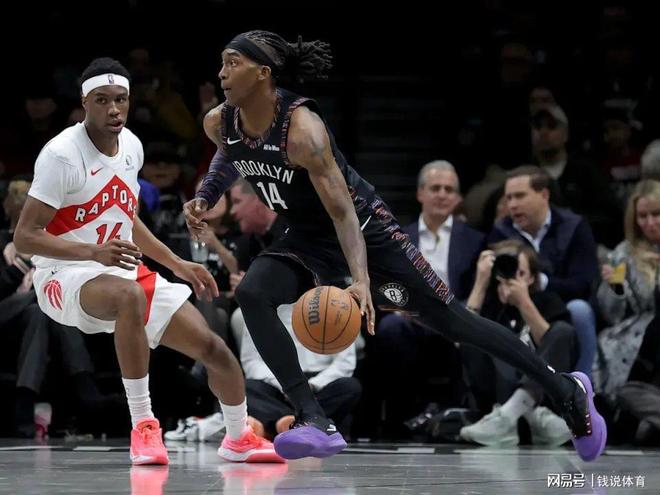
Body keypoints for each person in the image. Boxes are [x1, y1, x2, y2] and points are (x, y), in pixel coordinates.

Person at [184, 30, 606, 462]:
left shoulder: (303, 130)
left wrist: (360, 280)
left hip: (367, 231)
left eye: (232, 63)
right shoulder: (219, 121)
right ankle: (313, 416)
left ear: (263, 72)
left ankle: (565, 390)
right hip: (306, 235)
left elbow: (344, 214)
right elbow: (231, 152)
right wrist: (208, 193)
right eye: (222, 62)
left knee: (454, 322)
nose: (221, 73)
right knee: (253, 292)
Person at [14, 58, 282, 465]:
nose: (113, 109)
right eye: (102, 100)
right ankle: (143, 426)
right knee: (129, 296)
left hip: (118, 267)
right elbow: (25, 237)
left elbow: (127, 218)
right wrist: (93, 252)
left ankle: (238, 436)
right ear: (84, 103)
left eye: (120, 100)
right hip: (62, 274)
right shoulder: (61, 155)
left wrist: (177, 263)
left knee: (214, 349)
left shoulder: (132, 147)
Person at [460, 240, 577, 447]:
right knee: (472, 331)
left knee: (562, 331)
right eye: (505, 270)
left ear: (532, 277)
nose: (511, 277)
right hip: (496, 400)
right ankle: (529, 418)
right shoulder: (488, 305)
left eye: (520, 272)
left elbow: (557, 346)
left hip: (544, 398)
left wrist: (524, 302)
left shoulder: (548, 301)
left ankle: (511, 414)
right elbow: (460, 340)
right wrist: (480, 282)